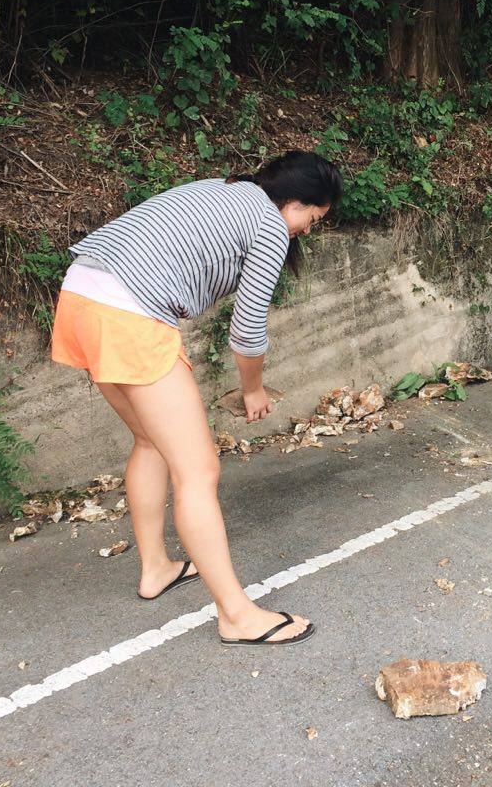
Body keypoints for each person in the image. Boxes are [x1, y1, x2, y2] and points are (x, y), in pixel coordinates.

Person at [51, 150, 342, 644]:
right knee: (199, 470)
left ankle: (156, 568)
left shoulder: (222, 187)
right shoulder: (269, 227)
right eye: (311, 218)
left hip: (80, 294)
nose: (308, 231)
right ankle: (236, 614)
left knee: (149, 441)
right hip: (129, 312)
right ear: (292, 202)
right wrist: (252, 390)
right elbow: (247, 332)